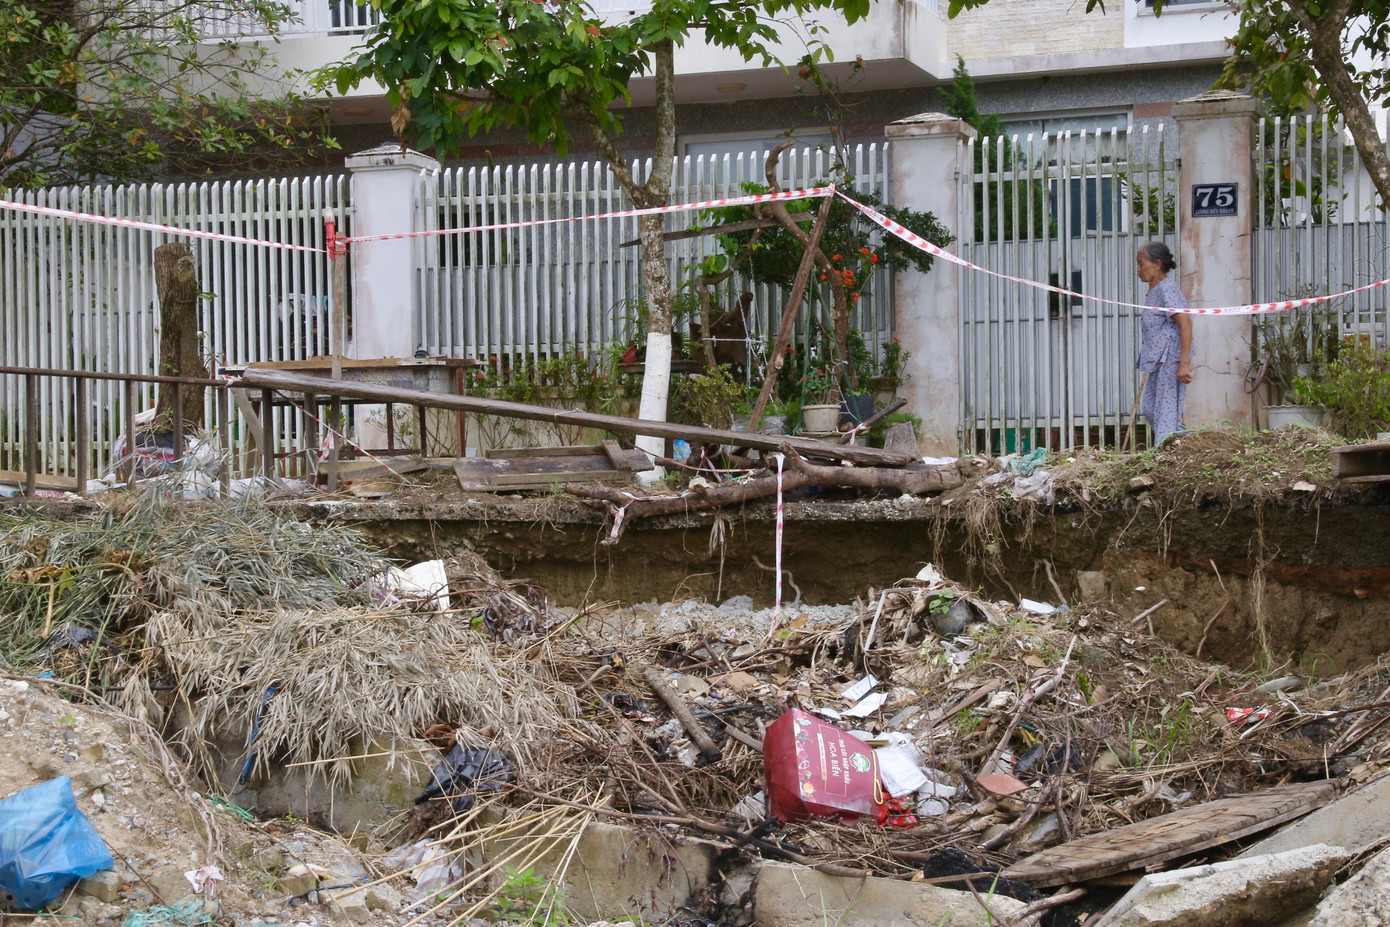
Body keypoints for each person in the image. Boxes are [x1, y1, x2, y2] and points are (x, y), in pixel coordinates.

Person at [1135, 241, 1193, 445]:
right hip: (1156, 360)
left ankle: (1163, 455)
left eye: (1142, 264)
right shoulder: (1155, 291)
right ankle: (1189, 445)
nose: (1139, 269)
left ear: (1157, 264)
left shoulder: (1166, 289)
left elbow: (1185, 322)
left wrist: (1183, 363)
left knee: (1165, 411)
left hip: (1170, 358)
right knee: (1150, 408)